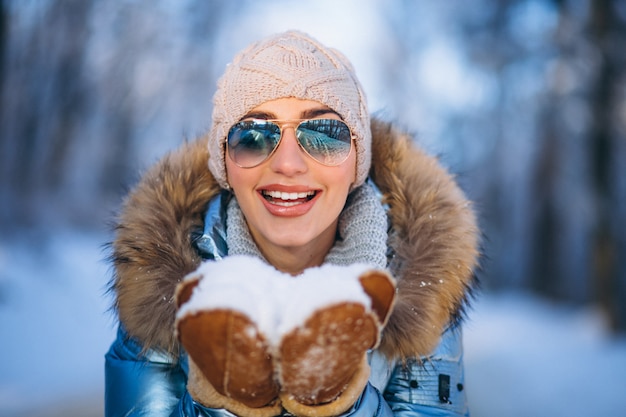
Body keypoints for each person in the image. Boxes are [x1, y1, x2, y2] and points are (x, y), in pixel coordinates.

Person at [105, 30, 480, 417]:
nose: (288, 164)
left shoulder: (416, 285)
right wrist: (223, 398)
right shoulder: (165, 283)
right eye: (253, 134)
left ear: (357, 162)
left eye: (323, 134)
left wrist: (341, 399)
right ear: (225, 167)